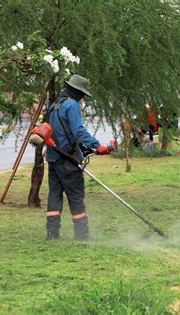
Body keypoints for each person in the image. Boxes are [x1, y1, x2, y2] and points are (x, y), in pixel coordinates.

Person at [45, 74, 116, 240]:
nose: (83, 97)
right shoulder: (72, 105)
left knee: (54, 196)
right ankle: (82, 235)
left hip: (53, 159)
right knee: (76, 196)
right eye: (82, 93)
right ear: (76, 91)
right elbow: (78, 131)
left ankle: (52, 233)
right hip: (68, 160)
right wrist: (97, 145)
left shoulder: (54, 106)